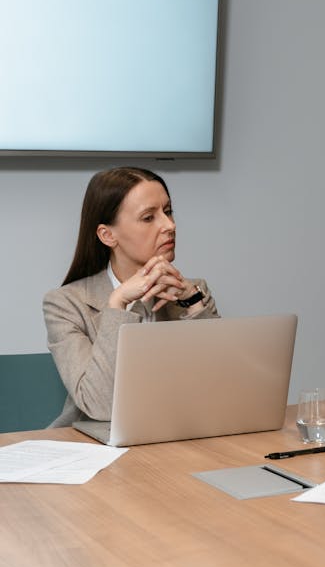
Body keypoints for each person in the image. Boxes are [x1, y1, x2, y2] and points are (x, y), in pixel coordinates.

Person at [44, 167, 219, 427]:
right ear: (107, 235)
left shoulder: (193, 292)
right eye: (149, 218)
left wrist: (193, 303)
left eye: (168, 212)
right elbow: (100, 405)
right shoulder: (65, 304)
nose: (169, 225)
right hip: (94, 443)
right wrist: (118, 304)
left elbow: (219, 387)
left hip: (174, 435)